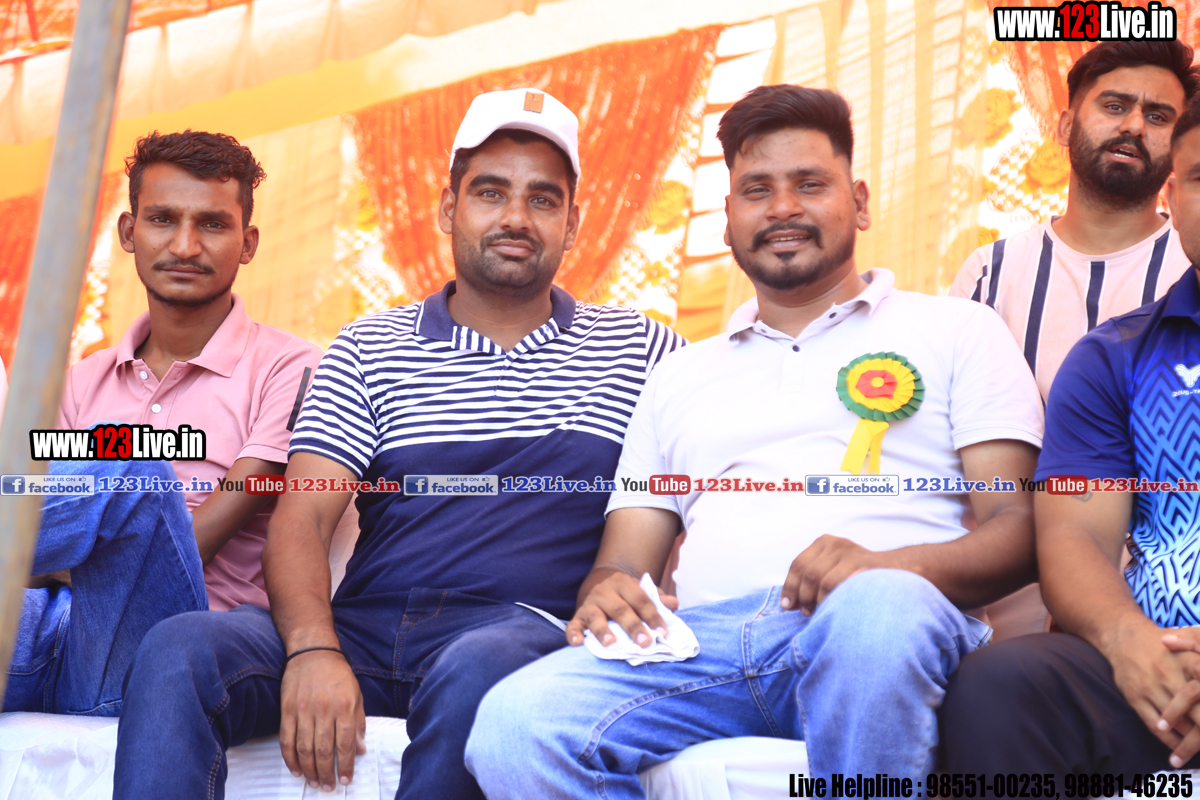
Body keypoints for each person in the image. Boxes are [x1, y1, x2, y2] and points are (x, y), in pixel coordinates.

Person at [464, 84, 1044, 794]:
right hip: (702, 647)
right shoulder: (678, 374)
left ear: (860, 202)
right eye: (757, 190)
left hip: (888, 625)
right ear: (729, 219)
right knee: (515, 724)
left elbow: (1020, 528)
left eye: (810, 184)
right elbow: (622, 561)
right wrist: (609, 593)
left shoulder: (956, 330)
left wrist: (888, 569)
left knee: (875, 612)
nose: (783, 208)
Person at [112, 88, 684, 800]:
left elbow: (675, 509)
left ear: (572, 224)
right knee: (179, 648)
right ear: (448, 209)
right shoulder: (370, 346)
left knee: (480, 669)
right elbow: (303, 516)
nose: (514, 217)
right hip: (364, 626)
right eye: (490, 192)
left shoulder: (644, 351)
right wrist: (313, 648)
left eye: (542, 199)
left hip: (518, 633)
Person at [3, 131, 323, 717]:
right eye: (162, 219)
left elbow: (199, 537)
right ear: (129, 232)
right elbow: (34, 533)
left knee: (136, 473)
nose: (184, 245)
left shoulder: (292, 367)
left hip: (174, 641)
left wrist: (79, 566)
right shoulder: (79, 383)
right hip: (51, 629)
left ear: (248, 243)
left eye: (212, 224)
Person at [940, 92, 1200, 778]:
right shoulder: (1115, 356)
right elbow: (1075, 535)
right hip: (1163, 677)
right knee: (1002, 686)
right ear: (1173, 200)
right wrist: (1131, 642)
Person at [953, 40, 1198, 402]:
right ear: (1066, 127)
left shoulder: (1193, 266)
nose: (1134, 126)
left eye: (1157, 117)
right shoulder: (989, 275)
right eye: (1114, 106)